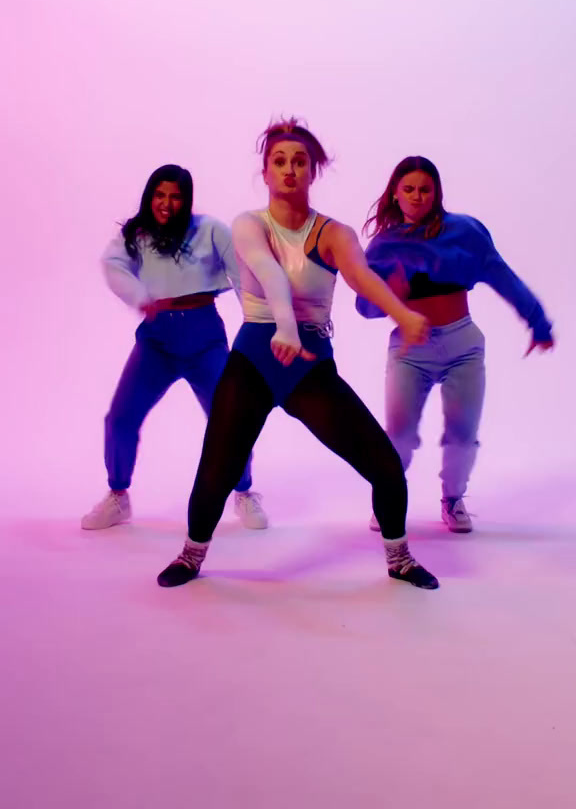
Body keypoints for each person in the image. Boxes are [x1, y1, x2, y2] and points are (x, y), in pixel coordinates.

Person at [157, 121, 439, 590]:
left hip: (309, 368)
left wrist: (403, 315)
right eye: (279, 161)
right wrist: (284, 327)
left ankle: (400, 559)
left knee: (385, 466)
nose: (290, 170)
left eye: (300, 161)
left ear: (314, 170)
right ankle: (191, 555)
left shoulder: (334, 233)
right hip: (253, 360)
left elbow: (363, 278)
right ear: (265, 172)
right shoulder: (249, 224)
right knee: (218, 468)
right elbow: (269, 274)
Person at [356, 156, 554, 533]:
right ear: (396, 194)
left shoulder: (465, 232)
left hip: (462, 343)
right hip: (410, 350)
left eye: (425, 189)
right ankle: (388, 498)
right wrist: (391, 294)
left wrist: (538, 321)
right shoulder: (383, 246)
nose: (417, 196)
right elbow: (364, 307)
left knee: (462, 434)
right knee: (399, 434)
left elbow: (503, 277)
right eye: (409, 189)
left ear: (437, 192)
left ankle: (452, 498)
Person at [82, 164, 267, 531]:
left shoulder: (210, 229)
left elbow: (242, 273)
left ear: (187, 199)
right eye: (160, 195)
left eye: (175, 196)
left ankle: (244, 492)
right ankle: (118, 495)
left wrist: (257, 321)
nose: (166, 203)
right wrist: (139, 296)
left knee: (231, 419)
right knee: (120, 417)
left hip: (205, 338)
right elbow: (112, 264)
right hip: (157, 340)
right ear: (150, 196)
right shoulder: (137, 234)